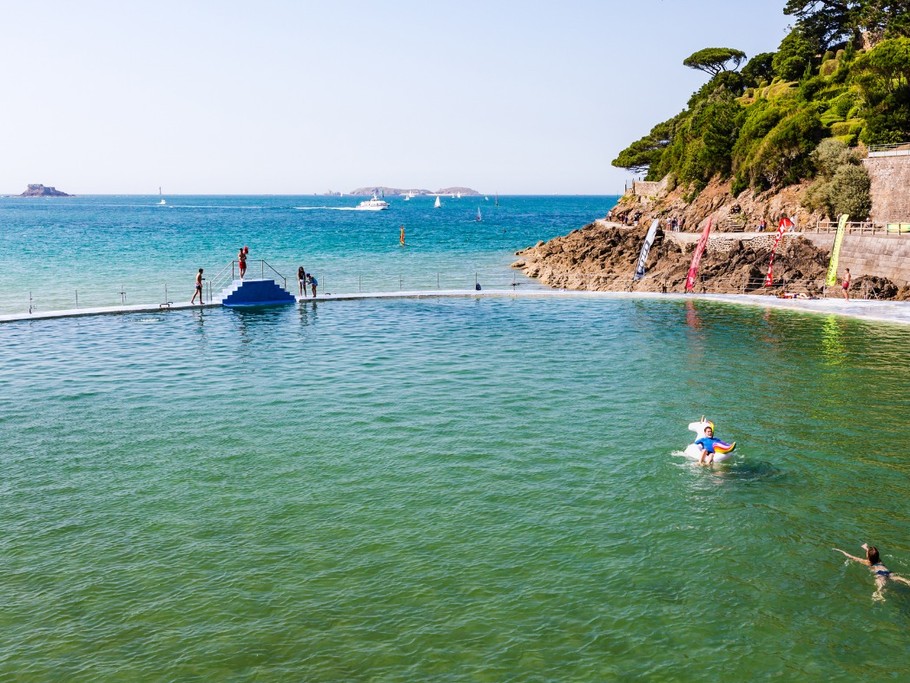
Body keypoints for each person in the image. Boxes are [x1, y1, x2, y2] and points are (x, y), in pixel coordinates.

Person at [833, 544, 910, 601]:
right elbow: (872, 554)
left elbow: (851, 557)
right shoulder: (879, 560)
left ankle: (879, 594)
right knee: (900, 579)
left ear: (868, 557)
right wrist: (866, 548)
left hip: (880, 574)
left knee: (880, 586)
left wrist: (841, 551)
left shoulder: (867, 562)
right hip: (888, 572)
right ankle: (908, 582)